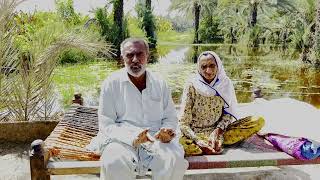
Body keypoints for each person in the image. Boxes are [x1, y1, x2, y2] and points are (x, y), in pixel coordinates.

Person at [89, 38, 187, 180]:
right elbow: (107, 124)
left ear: (147, 56)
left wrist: (167, 131)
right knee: (113, 161)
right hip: (121, 139)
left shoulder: (160, 83)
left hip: (156, 139)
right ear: (123, 58)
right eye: (129, 55)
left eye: (140, 54)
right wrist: (132, 138)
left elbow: (170, 117)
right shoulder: (111, 83)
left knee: (175, 159)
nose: (135, 59)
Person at [179, 51, 265, 156]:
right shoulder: (191, 85)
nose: (208, 70)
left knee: (258, 120)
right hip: (195, 134)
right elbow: (183, 123)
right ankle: (206, 145)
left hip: (221, 131)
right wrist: (197, 140)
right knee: (180, 145)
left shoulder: (225, 83)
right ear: (198, 68)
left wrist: (218, 131)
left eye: (212, 66)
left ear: (218, 66)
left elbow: (228, 113)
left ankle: (213, 144)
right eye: (204, 67)